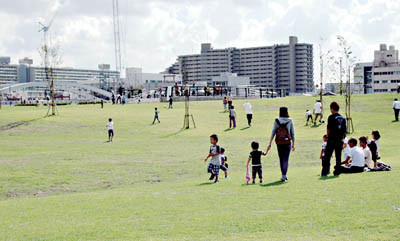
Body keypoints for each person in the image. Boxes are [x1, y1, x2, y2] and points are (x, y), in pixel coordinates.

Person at [267, 107, 295, 182]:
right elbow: (292, 133)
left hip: (279, 142)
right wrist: (293, 144)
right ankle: (284, 175)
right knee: (286, 159)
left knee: (281, 158)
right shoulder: (290, 120)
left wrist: (269, 143)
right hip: (287, 142)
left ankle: (283, 174)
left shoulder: (276, 120)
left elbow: (273, 132)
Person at [322, 102, 347, 176]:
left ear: (332, 109)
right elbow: (344, 131)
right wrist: (343, 139)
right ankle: (337, 172)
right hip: (340, 140)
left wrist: (327, 136)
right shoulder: (343, 118)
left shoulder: (331, 117)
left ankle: (325, 172)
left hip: (332, 139)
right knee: (338, 157)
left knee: (327, 156)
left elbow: (328, 129)